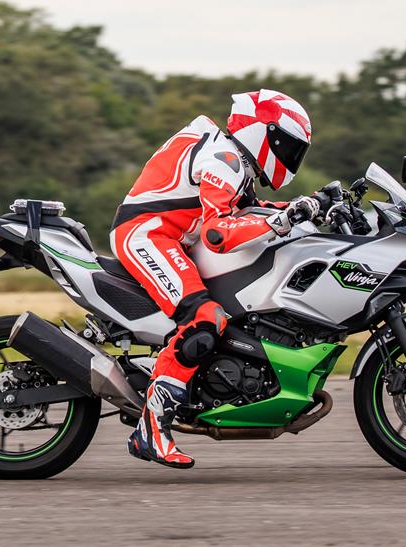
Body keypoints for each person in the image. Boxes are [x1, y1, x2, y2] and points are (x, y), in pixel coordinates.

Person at [110, 89, 320, 468]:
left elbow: (246, 210)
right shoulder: (224, 159)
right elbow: (218, 233)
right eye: (287, 147)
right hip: (148, 235)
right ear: (264, 134)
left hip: (172, 237)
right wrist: (283, 219)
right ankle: (151, 427)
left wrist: (304, 209)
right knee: (204, 318)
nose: (290, 158)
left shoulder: (232, 158)